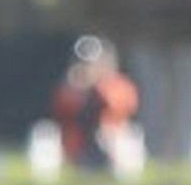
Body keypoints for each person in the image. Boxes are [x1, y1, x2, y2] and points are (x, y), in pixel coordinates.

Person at [48, 34, 140, 174]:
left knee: (113, 134)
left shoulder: (117, 85)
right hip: (81, 148)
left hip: (112, 144)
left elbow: (120, 108)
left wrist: (100, 86)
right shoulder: (73, 87)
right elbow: (62, 110)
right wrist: (79, 89)